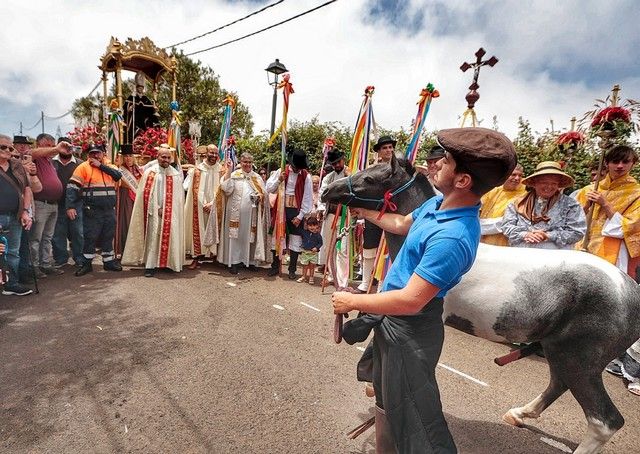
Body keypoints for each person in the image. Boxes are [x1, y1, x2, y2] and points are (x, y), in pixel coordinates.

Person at [332, 127, 517, 452]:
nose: (433, 165)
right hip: (394, 323)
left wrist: (352, 300)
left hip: (411, 332)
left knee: (419, 425)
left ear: (463, 180)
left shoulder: (454, 236)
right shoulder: (437, 205)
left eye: (444, 161)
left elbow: (411, 299)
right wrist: (366, 213)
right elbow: (403, 224)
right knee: (390, 408)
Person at [122, 145, 185, 277]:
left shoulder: (176, 174)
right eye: (163, 157)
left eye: (168, 157)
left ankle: (168, 263)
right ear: (157, 157)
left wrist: (170, 210)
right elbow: (145, 195)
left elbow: (179, 199)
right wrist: (156, 208)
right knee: (152, 238)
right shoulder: (150, 173)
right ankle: (150, 265)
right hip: (153, 212)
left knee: (171, 237)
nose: (166, 159)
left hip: (171, 213)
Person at [501, 161, 586, 250]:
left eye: (554, 183)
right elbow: (506, 226)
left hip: (556, 258)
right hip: (522, 255)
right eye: (544, 182)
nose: (549, 187)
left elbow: (577, 232)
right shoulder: (518, 203)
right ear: (534, 183)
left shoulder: (571, 205)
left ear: (559, 185)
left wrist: (548, 236)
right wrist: (525, 235)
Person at [67, 144, 123, 276]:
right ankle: (86, 264)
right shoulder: (83, 167)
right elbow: (72, 187)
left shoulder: (109, 166)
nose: (95, 156)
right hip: (92, 210)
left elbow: (118, 176)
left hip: (109, 209)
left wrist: (100, 166)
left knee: (108, 236)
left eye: (98, 153)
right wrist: (70, 206)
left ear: (103, 154)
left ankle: (108, 263)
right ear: (88, 155)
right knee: (90, 237)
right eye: (92, 153)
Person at [217, 152, 269, 274]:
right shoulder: (234, 175)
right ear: (240, 162)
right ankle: (234, 262)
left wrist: (259, 196)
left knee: (249, 237)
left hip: (251, 215)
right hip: (234, 214)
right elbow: (226, 189)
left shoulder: (256, 177)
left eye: (250, 162)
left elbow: (264, 193)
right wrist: (229, 171)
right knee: (235, 237)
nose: (247, 164)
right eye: (245, 162)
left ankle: (250, 261)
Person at [356, 136, 396, 294]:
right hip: (373, 213)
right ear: (379, 151)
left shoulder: (399, 169)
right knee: (369, 248)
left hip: (393, 215)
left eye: (391, 147)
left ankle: (383, 285)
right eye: (385, 148)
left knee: (388, 251)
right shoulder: (371, 170)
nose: (389, 150)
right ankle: (365, 283)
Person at [266, 148, 313, 279]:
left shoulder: (306, 176)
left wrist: (300, 216)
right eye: (296, 167)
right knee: (278, 237)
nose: (298, 169)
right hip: (280, 208)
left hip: (296, 210)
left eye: (300, 167)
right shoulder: (280, 172)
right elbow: (268, 188)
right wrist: (279, 180)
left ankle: (292, 269)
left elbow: (307, 197)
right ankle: (275, 266)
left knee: (295, 239)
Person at [0, 134, 34, 296]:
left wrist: (26, 211)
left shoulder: (16, 165)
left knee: (13, 251)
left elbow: (26, 189)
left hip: (15, 215)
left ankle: (12, 284)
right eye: (3, 147)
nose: (7, 150)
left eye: (10, 148)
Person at [30, 134, 67, 278]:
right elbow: (31, 152)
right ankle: (34, 266)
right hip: (41, 204)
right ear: (39, 144)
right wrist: (56, 148)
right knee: (35, 238)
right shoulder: (35, 156)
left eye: (53, 145)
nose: (52, 148)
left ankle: (45, 264)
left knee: (47, 237)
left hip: (53, 205)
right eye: (48, 145)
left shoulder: (49, 161)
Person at [184, 144, 224, 269]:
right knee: (199, 229)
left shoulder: (222, 170)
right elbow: (191, 190)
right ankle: (197, 257)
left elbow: (223, 189)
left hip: (216, 205)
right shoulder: (197, 170)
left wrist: (213, 203)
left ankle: (215, 256)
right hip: (200, 206)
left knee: (215, 228)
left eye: (215, 153)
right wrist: (203, 204)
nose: (213, 155)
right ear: (206, 153)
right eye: (211, 153)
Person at [317, 148, 350, 289]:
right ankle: (331, 276)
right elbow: (322, 194)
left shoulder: (351, 174)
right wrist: (321, 208)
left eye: (339, 162)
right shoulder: (328, 177)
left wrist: (349, 177)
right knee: (329, 247)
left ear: (343, 160)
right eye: (334, 163)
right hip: (330, 215)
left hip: (344, 216)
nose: (337, 165)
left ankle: (342, 282)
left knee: (342, 249)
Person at [52, 137, 84, 267]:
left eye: (69, 146)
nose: (67, 149)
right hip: (57, 204)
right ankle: (60, 259)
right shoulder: (51, 163)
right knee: (58, 234)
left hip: (77, 204)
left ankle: (79, 258)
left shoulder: (80, 163)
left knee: (78, 232)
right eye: (63, 146)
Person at [478, 164, 526, 246]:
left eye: (520, 175)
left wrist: (479, 227)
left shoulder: (524, 197)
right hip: (480, 241)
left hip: (503, 243)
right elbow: (477, 210)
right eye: (513, 175)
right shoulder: (492, 190)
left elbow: (507, 223)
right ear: (505, 175)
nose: (517, 178)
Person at [115, 145, 143, 257]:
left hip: (138, 198)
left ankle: (138, 250)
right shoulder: (119, 169)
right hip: (125, 197)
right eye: (125, 156)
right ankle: (126, 251)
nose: (128, 158)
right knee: (126, 222)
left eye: (130, 155)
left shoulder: (139, 169)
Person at [123, 72, 160, 145]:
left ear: (143, 88)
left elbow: (150, 109)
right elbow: (125, 107)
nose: (140, 89)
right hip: (134, 119)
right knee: (133, 132)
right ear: (136, 88)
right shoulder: (132, 97)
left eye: (142, 88)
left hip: (143, 120)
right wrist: (129, 108)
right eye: (139, 88)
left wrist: (154, 109)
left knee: (145, 130)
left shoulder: (145, 98)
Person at [297, 216, 323, 285]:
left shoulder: (318, 235)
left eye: (314, 225)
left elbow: (320, 243)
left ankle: (311, 277)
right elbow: (299, 229)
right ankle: (303, 276)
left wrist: (316, 248)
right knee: (304, 266)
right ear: (307, 226)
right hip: (305, 252)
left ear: (317, 225)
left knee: (312, 266)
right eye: (310, 225)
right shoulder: (304, 232)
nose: (312, 227)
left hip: (313, 253)